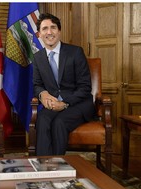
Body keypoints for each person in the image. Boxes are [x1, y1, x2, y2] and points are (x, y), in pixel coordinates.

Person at [33, 13, 95, 156]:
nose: (49, 32)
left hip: (78, 104)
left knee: (59, 123)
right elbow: (37, 84)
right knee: (42, 120)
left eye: (53, 28)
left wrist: (65, 103)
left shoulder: (75, 52)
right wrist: (43, 94)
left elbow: (85, 87)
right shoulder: (38, 58)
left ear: (59, 31)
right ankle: (42, 166)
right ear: (39, 34)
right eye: (45, 29)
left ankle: (58, 167)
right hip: (53, 104)